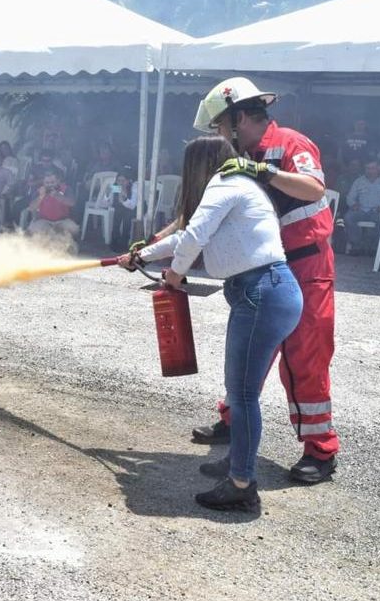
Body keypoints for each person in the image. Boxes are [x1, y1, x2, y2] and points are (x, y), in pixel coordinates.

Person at [119, 135, 303, 511]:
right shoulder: (241, 186)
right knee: (240, 391)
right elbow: (188, 235)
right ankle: (238, 463)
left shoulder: (223, 184)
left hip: (261, 292)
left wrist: (173, 274)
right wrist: (142, 255)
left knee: (243, 394)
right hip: (267, 290)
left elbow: (194, 237)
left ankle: (241, 483)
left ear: (197, 167)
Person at [181, 77, 339, 484]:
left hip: (307, 266)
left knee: (305, 357)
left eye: (219, 125)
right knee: (250, 353)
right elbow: (204, 214)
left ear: (240, 118)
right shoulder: (238, 155)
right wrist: (154, 242)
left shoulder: (291, 144)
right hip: (264, 268)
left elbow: (312, 187)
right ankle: (234, 422)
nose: (217, 134)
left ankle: (320, 452)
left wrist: (261, 171)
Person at [343, 159, 380, 255]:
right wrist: (353, 204)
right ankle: (356, 245)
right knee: (348, 217)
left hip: (378, 211)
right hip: (361, 210)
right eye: (367, 168)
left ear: (379, 168)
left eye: (373, 168)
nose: (370, 171)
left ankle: (375, 247)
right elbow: (350, 197)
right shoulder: (359, 181)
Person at [27, 170, 78, 238]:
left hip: (63, 220)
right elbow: (31, 208)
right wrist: (41, 197)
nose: (50, 185)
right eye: (47, 183)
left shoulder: (66, 189)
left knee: (74, 229)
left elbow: (72, 203)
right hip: (43, 220)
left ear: (58, 181)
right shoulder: (40, 191)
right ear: (43, 183)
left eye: (52, 182)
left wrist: (57, 196)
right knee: (33, 230)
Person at [106, 170, 139, 251]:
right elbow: (106, 202)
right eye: (119, 181)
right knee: (118, 211)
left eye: (123, 181)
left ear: (128, 181)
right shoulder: (116, 187)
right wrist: (107, 194)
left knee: (127, 214)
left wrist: (124, 198)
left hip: (136, 208)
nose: (120, 183)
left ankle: (124, 241)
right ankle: (115, 240)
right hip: (122, 209)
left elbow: (132, 205)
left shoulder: (134, 186)